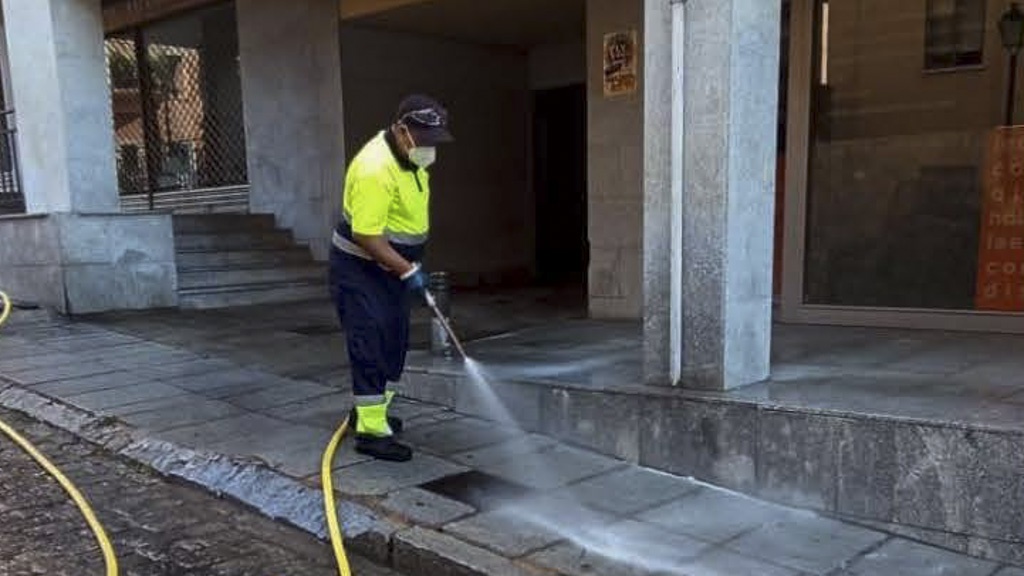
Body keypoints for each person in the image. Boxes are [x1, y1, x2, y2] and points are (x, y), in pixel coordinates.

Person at [330, 95, 453, 462]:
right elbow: (367, 237)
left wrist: (407, 264)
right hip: (361, 269)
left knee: (392, 341)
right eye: (424, 138)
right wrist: (409, 269)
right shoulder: (375, 168)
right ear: (402, 130)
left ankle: (370, 413)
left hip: (390, 268)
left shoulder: (411, 158)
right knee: (371, 338)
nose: (430, 147)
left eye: (434, 139)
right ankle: (370, 433)